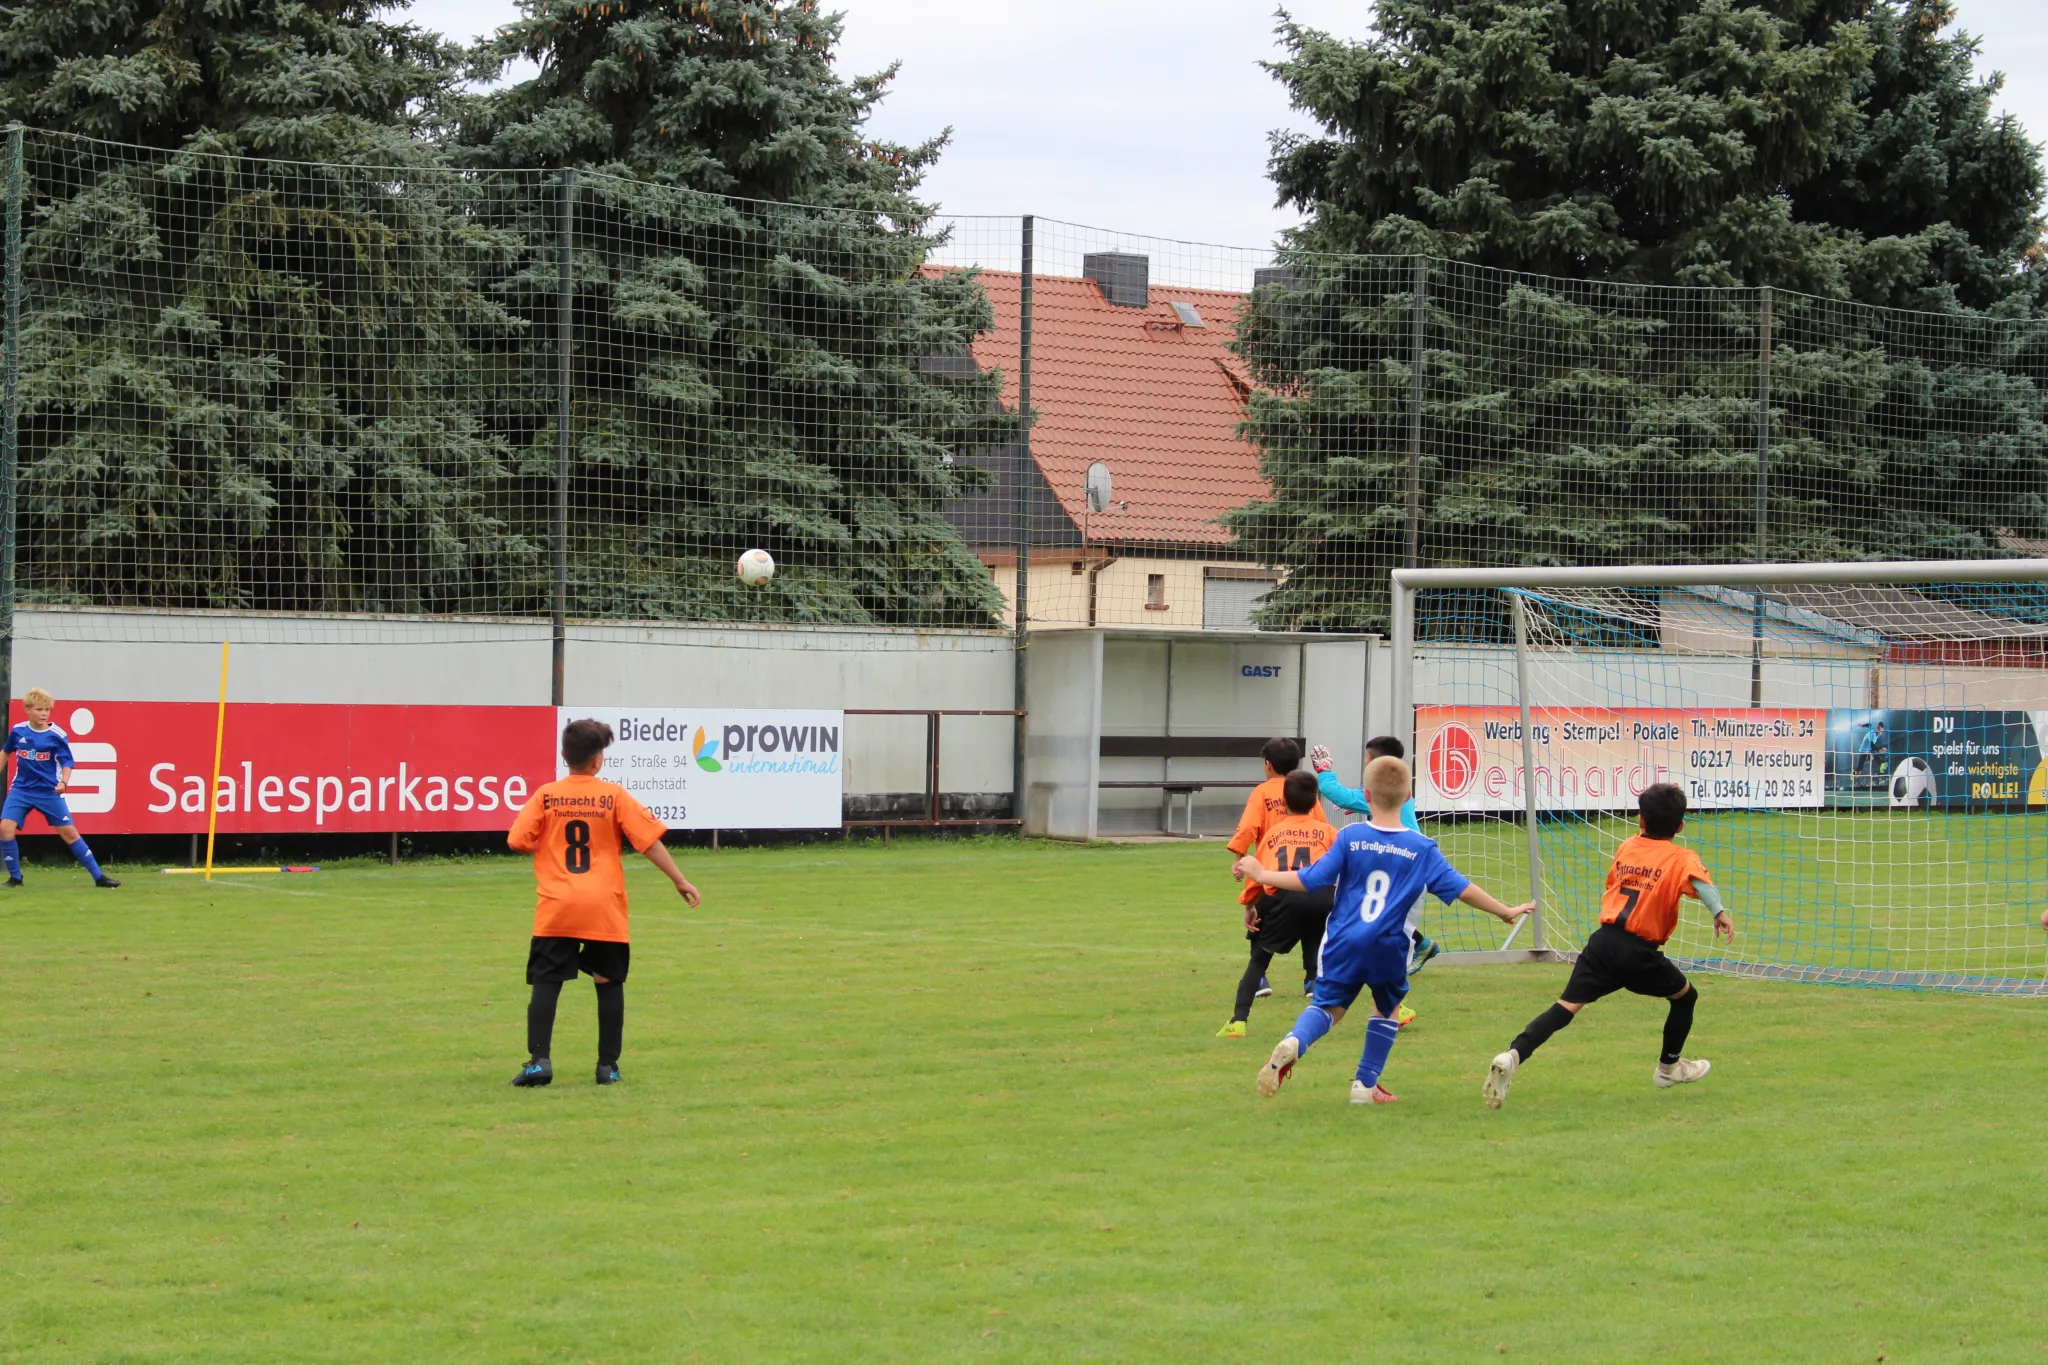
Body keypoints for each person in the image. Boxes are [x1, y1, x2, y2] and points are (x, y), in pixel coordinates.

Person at [1237, 756, 1531, 1105]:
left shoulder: (1350, 837)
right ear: (1407, 796)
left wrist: (1263, 874)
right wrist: (1504, 911)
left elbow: (1313, 878)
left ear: (1366, 795)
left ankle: (1295, 1041)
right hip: (1389, 945)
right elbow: (1462, 888)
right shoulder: (1422, 848)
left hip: (1343, 939)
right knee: (1388, 1008)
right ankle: (1365, 1085)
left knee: (1329, 1006)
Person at [1483, 783, 1732, 1110]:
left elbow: (1615, 883)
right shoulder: (1682, 857)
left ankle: (1513, 1055)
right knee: (1686, 997)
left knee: (1564, 1008)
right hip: (1639, 952)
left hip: (1603, 943)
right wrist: (1719, 913)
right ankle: (1669, 1068)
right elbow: (1701, 884)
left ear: (1640, 820)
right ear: (1681, 825)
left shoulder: (1627, 847)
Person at [507, 718, 700, 1087]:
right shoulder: (613, 796)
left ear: (564, 755)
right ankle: (607, 1067)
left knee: (547, 980)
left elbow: (517, 840)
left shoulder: (546, 795)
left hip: (558, 904)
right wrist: (679, 879)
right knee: (608, 979)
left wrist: (548, 846)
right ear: (598, 760)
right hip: (604, 905)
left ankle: (539, 1062)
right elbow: (648, 842)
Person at [1217, 770, 1335, 1039]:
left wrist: (1249, 904)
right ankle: (1388, 1006)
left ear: (1283, 802)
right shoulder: (1329, 833)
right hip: (1321, 897)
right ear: (1315, 801)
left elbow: (1258, 872)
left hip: (1284, 897)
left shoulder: (1274, 834)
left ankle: (1238, 1021)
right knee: (1333, 947)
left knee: (1260, 958)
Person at [1310, 736, 1438, 976]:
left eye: (1367, 758)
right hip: (1406, 857)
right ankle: (1419, 947)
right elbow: (1366, 800)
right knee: (1384, 907)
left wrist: (1324, 772)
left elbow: (1340, 795)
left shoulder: (1380, 788)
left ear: (1376, 763)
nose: (1364, 762)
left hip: (1401, 859)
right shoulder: (1395, 785)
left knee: (1376, 906)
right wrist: (1363, 805)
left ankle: (1415, 949)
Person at [1, 687, 119, 889]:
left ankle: (99, 877)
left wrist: (64, 782)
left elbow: (67, 762)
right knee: (5, 829)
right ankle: (15, 879)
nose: (44, 714)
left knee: (69, 833)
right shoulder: (18, 731)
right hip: (21, 790)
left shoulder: (56, 735)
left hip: (48, 792)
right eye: (39, 709)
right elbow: (5, 752)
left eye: (47, 710)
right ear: (27, 710)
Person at [1226, 738, 1303, 1001]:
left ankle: (1258, 978)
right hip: (1302, 872)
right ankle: (1312, 979)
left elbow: (1248, 827)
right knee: (1311, 927)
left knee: (1257, 922)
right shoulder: (1303, 788)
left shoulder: (1262, 792)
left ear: (1268, 765)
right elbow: (1322, 826)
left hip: (1269, 868)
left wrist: (1239, 858)